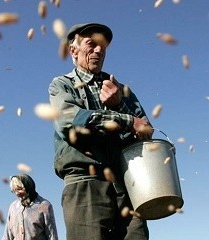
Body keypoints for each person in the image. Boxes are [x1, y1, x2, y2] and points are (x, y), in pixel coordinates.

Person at [48, 22, 153, 240]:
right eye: (91, 44)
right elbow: (72, 123)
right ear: (73, 51)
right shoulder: (61, 85)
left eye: (103, 46)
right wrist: (125, 119)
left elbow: (145, 129)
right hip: (85, 184)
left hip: (126, 185)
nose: (98, 50)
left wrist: (119, 104)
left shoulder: (120, 89)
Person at [2, 174, 59, 240]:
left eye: (19, 189)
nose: (17, 193)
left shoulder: (44, 205)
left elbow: (52, 235)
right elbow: (7, 235)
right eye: (14, 191)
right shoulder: (13, 207)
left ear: (28, 187)